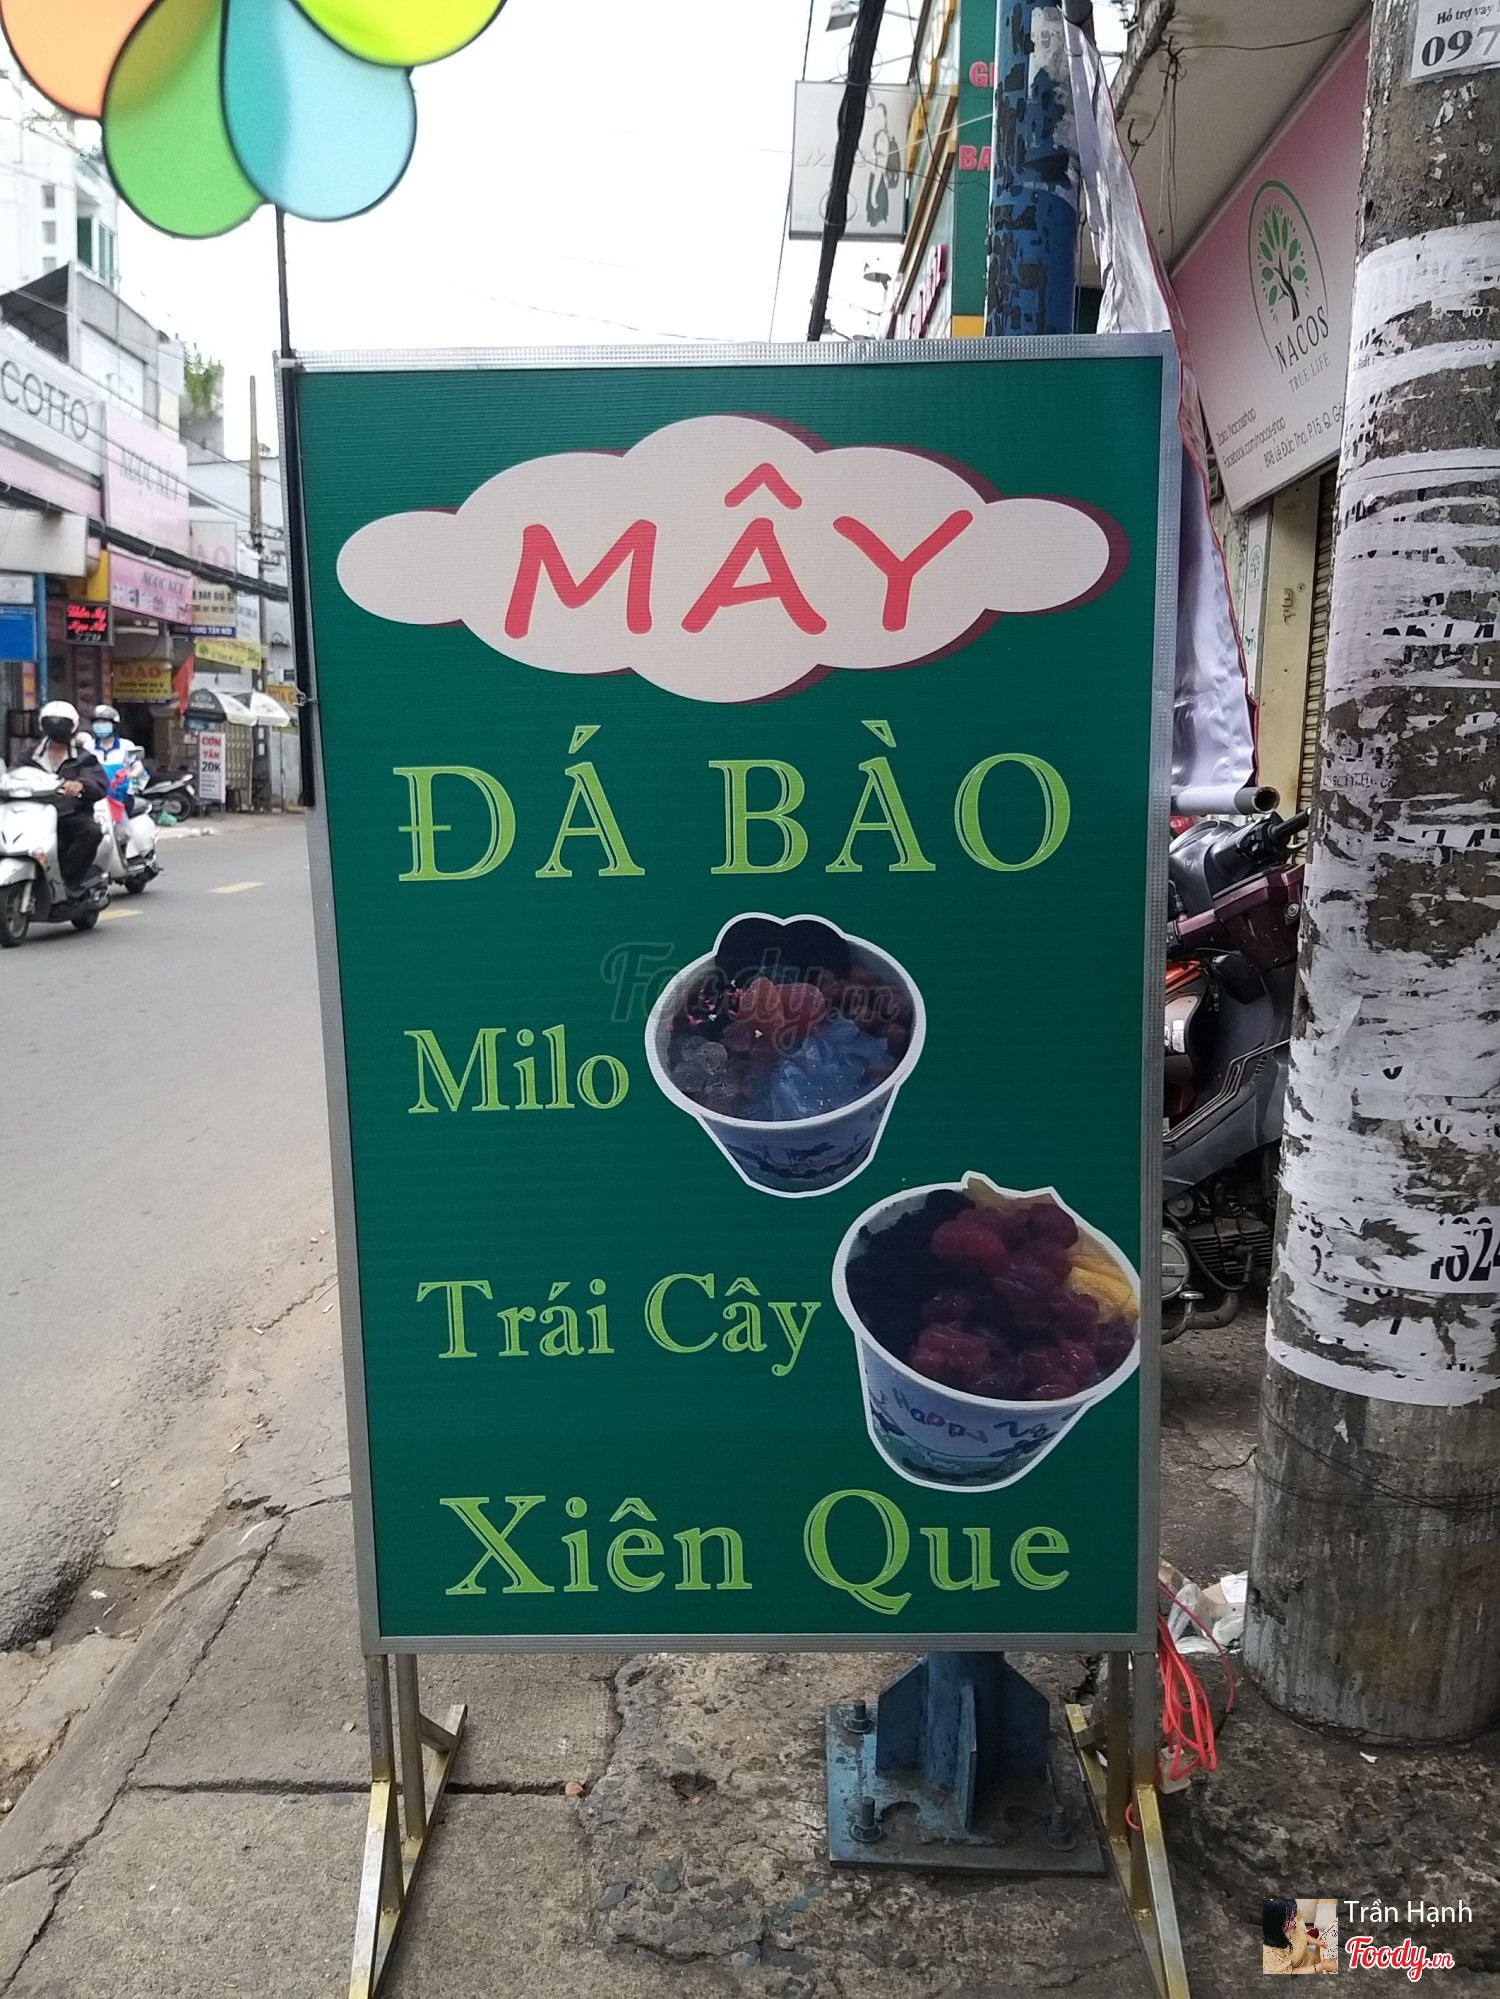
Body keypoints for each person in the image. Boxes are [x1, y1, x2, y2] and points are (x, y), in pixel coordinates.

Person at [29, 701, 107, 890]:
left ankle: (68, 883)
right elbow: (14, 775)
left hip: (70, 814)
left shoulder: (83, 756)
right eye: (52, 723)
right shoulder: (30, 755)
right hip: (33, 814)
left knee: (91, 832)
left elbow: (98, 783)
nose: (57, 728)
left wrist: (81, 785)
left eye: (62, 723)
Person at [1262, 1897, 1323, 1973]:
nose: (1294, 1922)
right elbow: (1290, 1972)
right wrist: (1321, 1966)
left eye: (1293, 1917)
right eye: (1288, 1920)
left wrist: (1317, 1942)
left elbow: (1302, 1934)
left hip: (1309, 1960)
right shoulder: (1269, 1952)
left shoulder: (1291, 1922)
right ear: (1272, 1923)